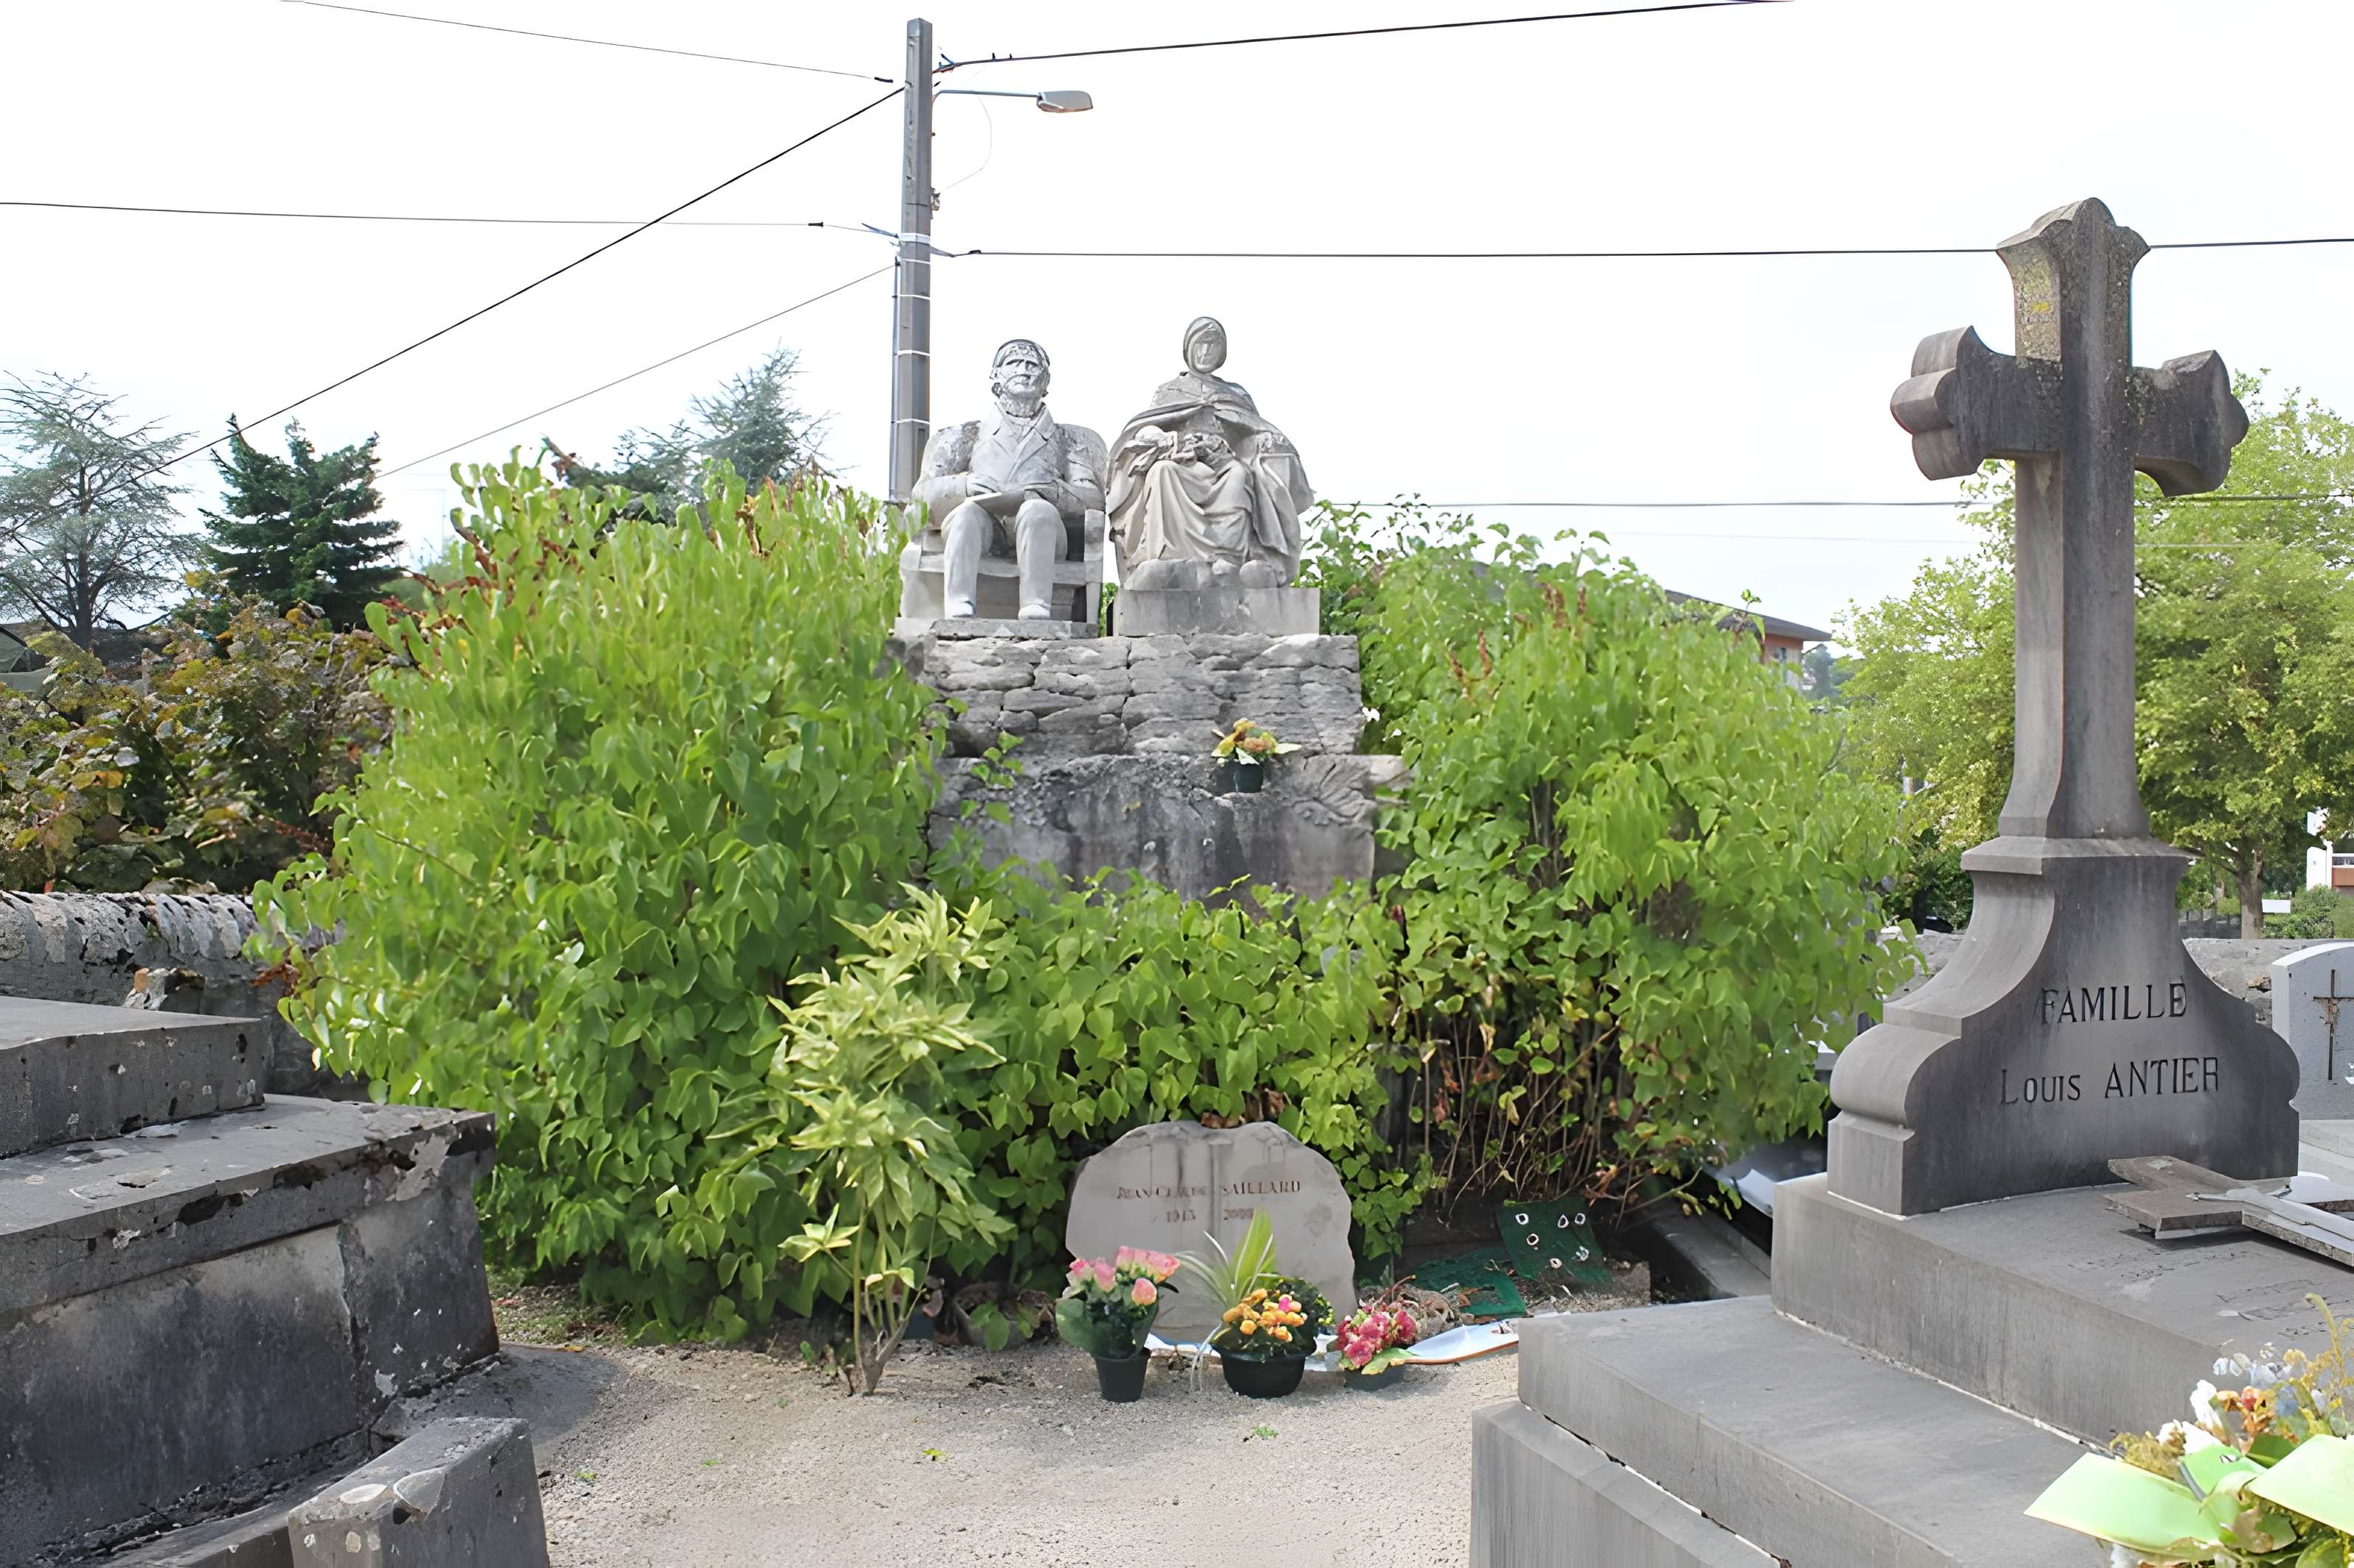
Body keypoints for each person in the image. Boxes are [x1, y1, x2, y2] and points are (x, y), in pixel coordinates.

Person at [1106, 317, 1314, 590]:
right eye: (1201, 345)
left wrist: (1265, 439)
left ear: (1222, 353)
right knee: (1162, 472)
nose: (1206, 352)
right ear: (1189, 349)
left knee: (1240, 475)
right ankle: (1169, 558)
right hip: (1184, 460)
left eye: (1213, 346)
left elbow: (1252, 429)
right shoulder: (1169, 391)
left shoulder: (1236, 394)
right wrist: (1168, 441)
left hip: (1224, 462)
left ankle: (1230, 559)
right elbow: (1146, 427)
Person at [908, 338, 1103, 620]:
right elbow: (921, 495)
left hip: (1044, 531)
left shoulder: (1071, 440)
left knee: (1037, 511)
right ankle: (959, 605)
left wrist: (1055, 492)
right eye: (1014, 363)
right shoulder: (962, 436)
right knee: (967, 514)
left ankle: (1036, 605)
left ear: (1046, 380)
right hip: (984, 528)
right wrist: (964, 485)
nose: (1024, 371)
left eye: (1032, 365)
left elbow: (1094, 498)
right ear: (996, 376)